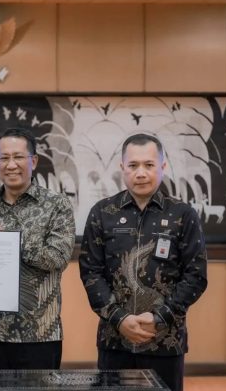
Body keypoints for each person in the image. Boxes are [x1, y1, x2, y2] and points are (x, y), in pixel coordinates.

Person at [79, 133, 208, 391]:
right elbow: (91, 272)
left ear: (162, 166)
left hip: (165, 341)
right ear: (122, 168)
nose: (141, 173)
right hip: (115, 340)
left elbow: (196, 275)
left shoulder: (183, 214)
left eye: (149, 165)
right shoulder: (102, 213)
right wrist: (119, 318)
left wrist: (160, 316)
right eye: (133, 165)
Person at [0, 127, 75, 369]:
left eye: (18, 157)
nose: (11, 165)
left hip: (40, 334)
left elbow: (57, 258)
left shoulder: (57, 205)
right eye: (4, 158)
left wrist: (10, 240)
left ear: (33, 161)